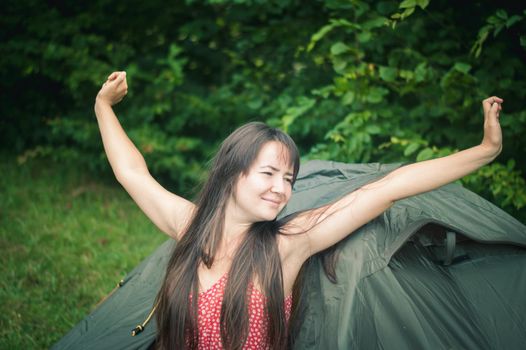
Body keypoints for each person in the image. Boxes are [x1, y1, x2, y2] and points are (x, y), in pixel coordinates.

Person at [94, 71, 503, 350]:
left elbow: (387, 189)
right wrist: (104, 106)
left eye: (289, 179)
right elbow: (132, 172)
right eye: (269, 173)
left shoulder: (288, 244)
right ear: (231, 173)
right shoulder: (188, 226)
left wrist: (485, 152)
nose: (281, 189)